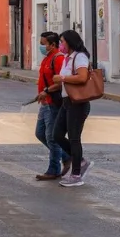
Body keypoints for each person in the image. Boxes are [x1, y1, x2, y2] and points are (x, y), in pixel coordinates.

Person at [51, 29, 94, 187]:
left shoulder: (79, 57)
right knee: (57, 134)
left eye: (62, 41)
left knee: (74, 137)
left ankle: (76, 175)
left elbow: (82, 77)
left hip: (78, 103)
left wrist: (62, 77)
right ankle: (80, 160)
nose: (60, 45)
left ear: (70, 42)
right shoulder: (67, 58)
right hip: (67, 101)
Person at [34, 31, 71, 180]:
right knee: (40, 133)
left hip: (53, 103)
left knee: (52, 138)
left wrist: (47, 91)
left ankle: (53, 170)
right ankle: (66, 156)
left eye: (43, 44)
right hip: (45, 102)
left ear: (52, 44)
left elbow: (61, 81)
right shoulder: (47, 58)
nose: (41, 46)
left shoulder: (58, 58)